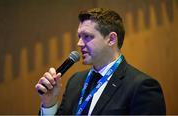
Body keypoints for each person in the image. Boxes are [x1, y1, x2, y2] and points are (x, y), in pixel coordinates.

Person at [35, 8, 166, 115]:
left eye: (87, 36)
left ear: (111, 39)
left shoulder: (142, 86)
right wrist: (49, 103)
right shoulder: (75, 82)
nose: (79, 43)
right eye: (79, 36)